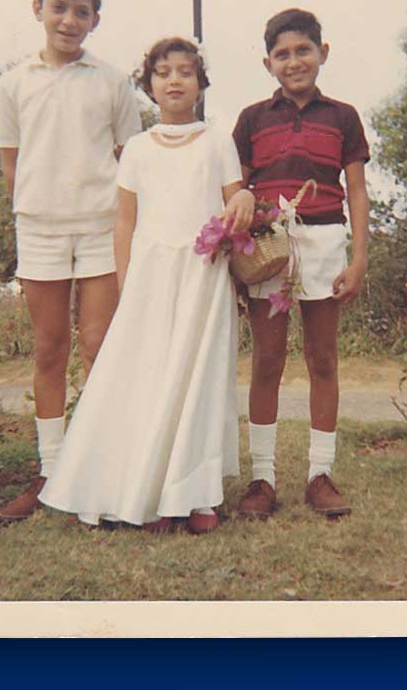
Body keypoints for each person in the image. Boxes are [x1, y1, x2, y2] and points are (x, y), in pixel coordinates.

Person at [38, 37, 255, 534]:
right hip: (150, 277)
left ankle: (195, 494)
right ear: (149, 84)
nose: (174, 80)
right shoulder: (135, 148)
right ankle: (142, 488)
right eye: (163, 72)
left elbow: (235, 200)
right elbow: (125, 222)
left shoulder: (218, 142)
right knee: (146, 376)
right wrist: (127, 281)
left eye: (185, 71)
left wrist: (246, 198)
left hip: (202, 274)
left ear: (201, 84)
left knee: (196, 378)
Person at [0, 0, 142, 521]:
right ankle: (51, 471)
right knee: (50, 348)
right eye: (59, 8)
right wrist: (34, 210)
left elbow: (134, 160)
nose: (69, 20)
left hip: (103, 228)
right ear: (37, 10)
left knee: (98, 346)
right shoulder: (13, 82)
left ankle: (100, 467)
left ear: (95, 19)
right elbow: (13, 164)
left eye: (82, 12)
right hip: (40, 230)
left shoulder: (112, 81)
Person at [231, 8, 371, 520]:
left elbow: (355, 191)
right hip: (269, 249)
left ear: (323, 53)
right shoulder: (251, 119)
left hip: (325, 241)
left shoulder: (343, 117)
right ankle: (262, 478)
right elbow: (237, 189)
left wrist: (358, 259)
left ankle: (320, 474)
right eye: (283, 54)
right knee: (267, 361)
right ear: (268, 63)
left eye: (303, 51)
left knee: (323, 359)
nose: (294, 62)